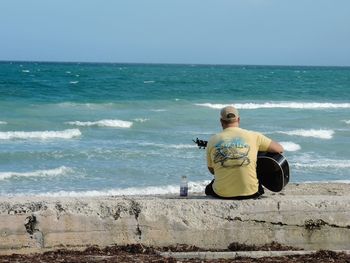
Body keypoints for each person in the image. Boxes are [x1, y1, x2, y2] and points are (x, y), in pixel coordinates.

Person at [205, 105, 284, 200]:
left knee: (208, 189)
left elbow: (212, 170)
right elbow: (279, 149)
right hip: (251, 192)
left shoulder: (212, 140)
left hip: (222, 193)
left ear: (221, 121)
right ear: (238, 120)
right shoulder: (254, 136)